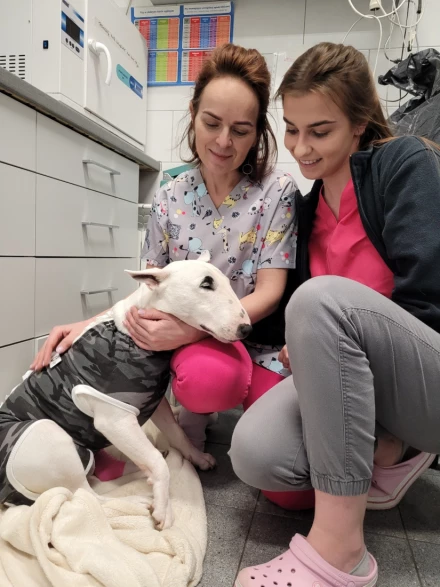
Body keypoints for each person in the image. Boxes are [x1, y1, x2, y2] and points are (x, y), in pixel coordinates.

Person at [31, 44, 302, 505]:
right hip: (189, 350)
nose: (223, 142)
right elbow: (148, 289)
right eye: (211, 123)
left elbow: (270, 292)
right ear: (193, 114)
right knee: (204, 378)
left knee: (286, 486)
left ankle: (217, 404)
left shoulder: (276, 192)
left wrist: (194, 329)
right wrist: (88, 325)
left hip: (250, 337)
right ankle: (193, 415)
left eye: (241, 130)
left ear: (258, 132)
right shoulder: (170, 195)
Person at [230, 41, 440, 587]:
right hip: (360, 386)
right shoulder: (305, 212)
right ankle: (384, 453)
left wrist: (324, 327)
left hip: (426, 378)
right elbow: (281, 315)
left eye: (319, 131)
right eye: (291, 129)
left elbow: (430, 305)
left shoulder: (406, 164)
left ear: (359, 122)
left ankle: (341, 551)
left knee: (320, 299)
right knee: (255, 454)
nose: (300, 148)